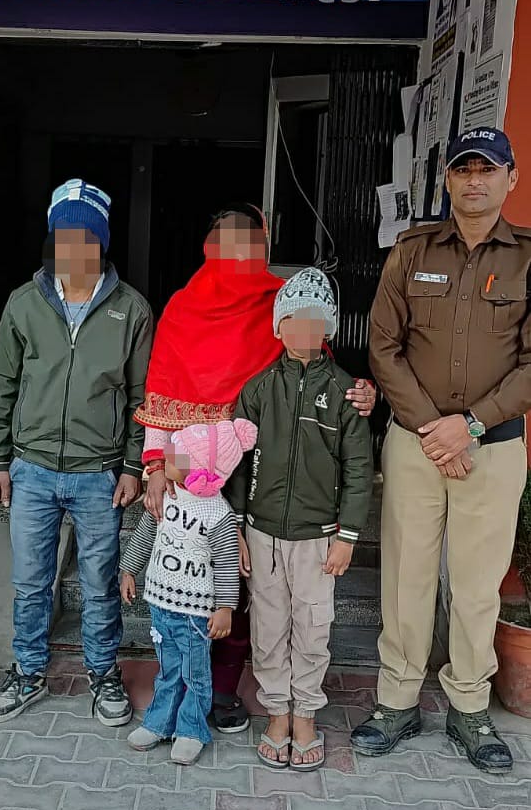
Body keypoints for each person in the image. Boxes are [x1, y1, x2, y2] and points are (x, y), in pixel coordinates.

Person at [136, 203, 377, 732]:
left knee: (240, 589)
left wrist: (363, 393)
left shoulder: (279, 304)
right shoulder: (182, 308)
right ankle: (181, 686)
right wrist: (155, 467)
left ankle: (223, 689)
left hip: (257, 471)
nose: (237, 253)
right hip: (186, 474)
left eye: (247, 242)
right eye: (226, 241)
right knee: (186, 582)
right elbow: (161, 391)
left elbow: (317, 374)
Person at [351, 128, 531, 774]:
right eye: (463, 169)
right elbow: (383, 345)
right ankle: (397, 701)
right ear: (448, 180)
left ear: (510, 178)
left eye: (487, 169)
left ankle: (470, 706)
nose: (474, 180)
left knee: (478, 585)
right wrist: (436, 428)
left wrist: (471, 426)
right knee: (406, 576)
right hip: (415, 442)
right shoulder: (413, 250)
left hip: (493, 448)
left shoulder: (527, 259)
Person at [0, 178, 154, 728]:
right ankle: (28, 671)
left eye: (86, 237)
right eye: (64, 236)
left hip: (99, 473)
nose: (74, 248)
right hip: (31, 468)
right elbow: (3, 383)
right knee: (31, 583)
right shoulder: (24, 303)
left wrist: (133, 466)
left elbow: (142, 396)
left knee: (100, 585)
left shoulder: (131, 309)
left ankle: (103, 674)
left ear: (101, 241)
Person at [227, 268, 373, 770]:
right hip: (262, 532)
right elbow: (236, 462)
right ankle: (276, 712)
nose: (302, 329)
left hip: (318, 537)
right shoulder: (258, 389)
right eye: (292, 319)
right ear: (278, 327)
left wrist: (347, 536)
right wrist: (237, 528)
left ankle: (306, 714)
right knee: (269, 626)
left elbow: (358, 468)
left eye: (314, 320)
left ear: (327, 327)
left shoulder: (344, 392)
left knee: (312, 627)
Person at [120, 418, 257, 764]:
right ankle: (159, 722)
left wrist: (225, 607)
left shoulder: (218, 515)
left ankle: (191, 729)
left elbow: (226, 564)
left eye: (176, 457)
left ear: (202, 470)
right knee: (168, 670)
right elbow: (145, 534)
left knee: (195, 674)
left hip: (195, 614)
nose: (168, 459)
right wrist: (129, 569)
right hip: (160, 604)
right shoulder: (166, 496)